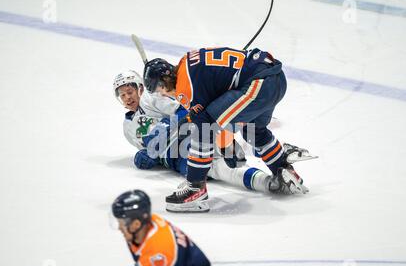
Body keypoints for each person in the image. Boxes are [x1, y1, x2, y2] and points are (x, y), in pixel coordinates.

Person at [143, 47, 314, 212]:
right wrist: (227, 147)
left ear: (164, 80)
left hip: (259, 84)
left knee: (203, 128)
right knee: (255, 131)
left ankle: (195, 188)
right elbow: (219, 102)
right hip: (274, 79)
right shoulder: (186, 63)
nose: (164, 94)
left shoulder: (185, 86)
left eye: (160, 89)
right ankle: (284, 171)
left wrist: (226, 148)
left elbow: (207, 121)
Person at [113, 71, 294, 212]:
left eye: (130, 92)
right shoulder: (127, 127)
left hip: (192, 135)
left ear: (140, 88)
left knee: (238, 141)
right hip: (176, 160)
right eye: (122, 95)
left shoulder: (151, 99)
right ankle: (269, 183)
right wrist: (146, 156)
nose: (127, 97)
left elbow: (184, 110)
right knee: (218, 170)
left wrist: (166, 128)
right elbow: (149, 149)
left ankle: (282, 156)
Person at [111, 189, 222, 266]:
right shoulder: (145, 227)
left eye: (121, 223)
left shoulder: (158, 253)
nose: (119, 228)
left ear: (136, 224)